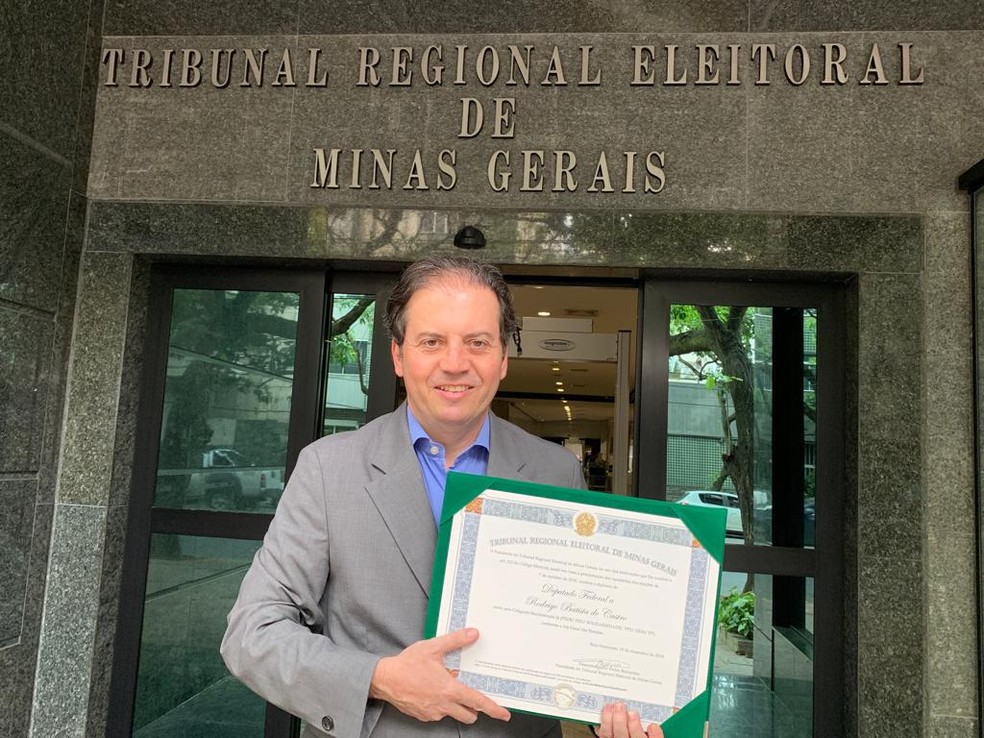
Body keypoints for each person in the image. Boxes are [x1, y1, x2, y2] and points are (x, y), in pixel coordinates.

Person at [221, 256, 663, 738]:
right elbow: (253, 633)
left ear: (502, 359)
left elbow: (586, 638)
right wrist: (379, 679)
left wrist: (619, 715)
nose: (455, 363)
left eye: (477, 342)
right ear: (398, 355)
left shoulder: (556, 473)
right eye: (432, 341)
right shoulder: (328, 469)